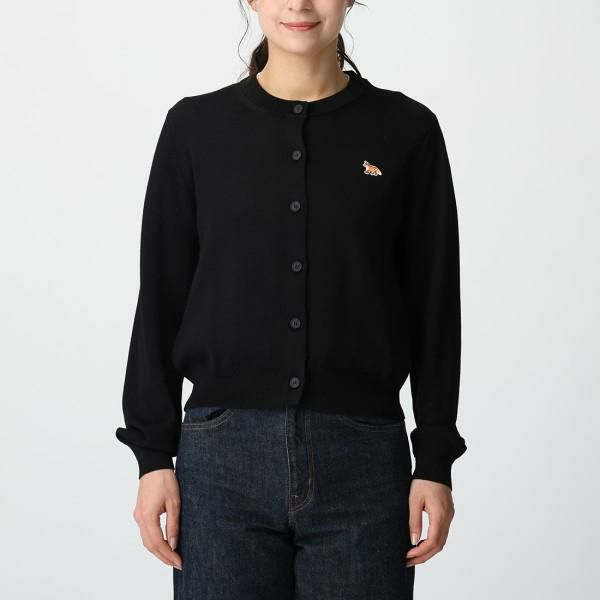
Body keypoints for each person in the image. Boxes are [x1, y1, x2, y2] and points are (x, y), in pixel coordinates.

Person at [115, 1, 467, 598]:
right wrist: (153, 457)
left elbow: (435, 303)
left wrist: (434, 458)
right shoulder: (195, 129)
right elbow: (161, 300)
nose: (299, 3)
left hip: (364, 461)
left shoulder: (407, 131)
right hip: (221, 465)